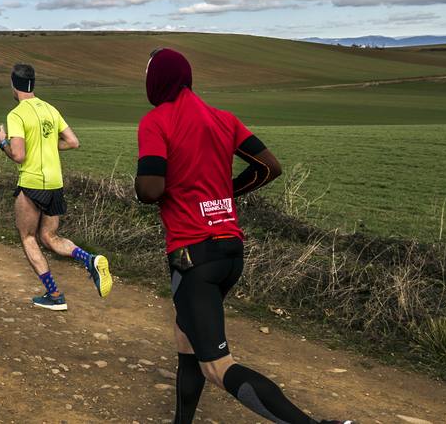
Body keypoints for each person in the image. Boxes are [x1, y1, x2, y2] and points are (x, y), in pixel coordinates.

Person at [136, 49, 354, 424]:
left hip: (194, 257)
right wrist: (226, 191)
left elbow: (152, 189)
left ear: (158, 80)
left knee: (218, 365)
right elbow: (270, 167)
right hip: (229, 253)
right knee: (187, 341)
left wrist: (143, 188)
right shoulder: (223, 118)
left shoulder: (156, 121)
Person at [0, 62, 111, 310]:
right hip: (55, 182)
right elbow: (73, 142)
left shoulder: (16, 114)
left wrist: (2, 142)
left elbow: (19, 155)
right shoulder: (50, 109)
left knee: (27, 237)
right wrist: (46, 145)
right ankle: (89, 259)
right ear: (32, 84)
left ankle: (54, 294)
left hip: (32, 183)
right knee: (50, 236)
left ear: (14, 86)